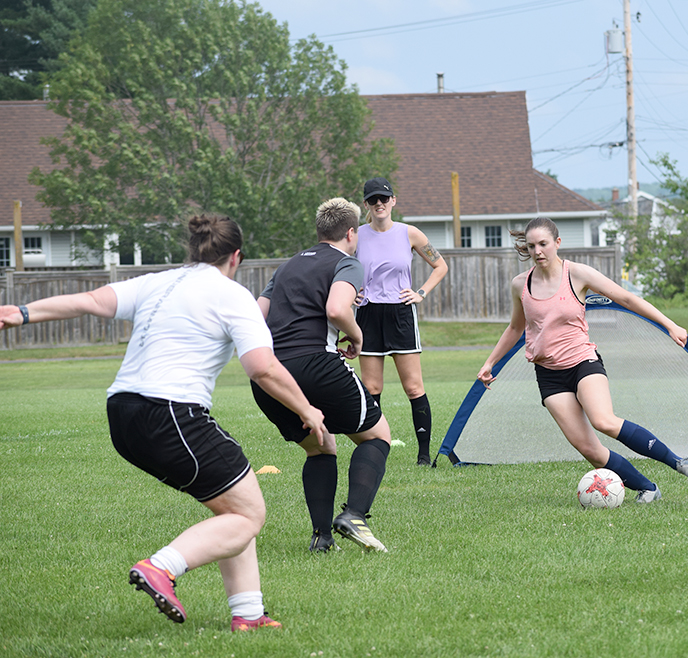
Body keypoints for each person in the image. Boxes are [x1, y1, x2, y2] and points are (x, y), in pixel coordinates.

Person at [0, 215, 327, 630]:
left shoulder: (157, 282)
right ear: (236, 257)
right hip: (170, 412)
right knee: (248, 516)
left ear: (194, 250)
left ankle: (248, 614)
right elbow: (262, 367)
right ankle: (161, 568)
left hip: (122, 413)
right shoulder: (233, 294)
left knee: (234, 508)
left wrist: (23, 312)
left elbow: (91, 301)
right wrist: (306, 409)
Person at [477, 217, 688, 504]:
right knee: (590, 450)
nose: (538, 251)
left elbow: (626, 298)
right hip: (549, 375)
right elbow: (515, 328)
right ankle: (648, 489)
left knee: (604, 421)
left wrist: (669, 324)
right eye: (532, 246)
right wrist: (490, 362)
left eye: (543, 244)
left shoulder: (577, 274)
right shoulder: (520, 284)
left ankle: (678, 462)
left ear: (557, 243)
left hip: (583, 362)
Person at [253, 198, 391, 553]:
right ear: (351, 233)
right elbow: (336, 308)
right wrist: (357, 337)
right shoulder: (347, 262)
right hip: (315, 364)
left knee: (321, 446)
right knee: (378, 436)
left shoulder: (287, 266)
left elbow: (256, 316)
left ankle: (322, 538)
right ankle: (354, 515)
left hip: (269, 376)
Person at [356, 177, 449, 466]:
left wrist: (421, 292)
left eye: (384, 198)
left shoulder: (410, 234)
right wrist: (350, 291)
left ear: (393, 201)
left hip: (400, 313)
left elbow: (440, 265)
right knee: (372, 388)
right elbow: (338, 267)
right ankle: (375, 453)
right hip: (368, 314)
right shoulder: (356, 236)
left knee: (413, 388)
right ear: (366, 204)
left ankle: (423, 456)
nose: (379, 204)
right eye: (373, 200)